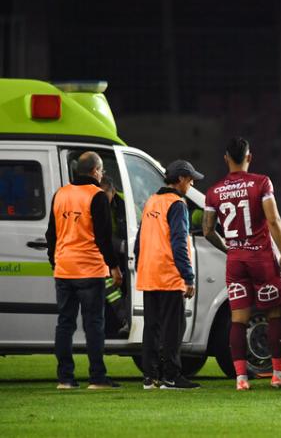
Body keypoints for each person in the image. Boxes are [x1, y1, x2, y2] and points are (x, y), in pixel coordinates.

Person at [203, 137, 281, 390]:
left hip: (236, 260)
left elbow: (207, 230)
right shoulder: (261, 183)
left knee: (238, 319)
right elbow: (274, 219)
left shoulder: (214, 191)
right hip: (261, 258)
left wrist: (228, 247)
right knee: (275, 314)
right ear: (249, 157)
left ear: (226, 159)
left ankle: (241, 379)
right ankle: (278, 374)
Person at [45, 151, 122, 389]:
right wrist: (114, 267)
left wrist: (55, 261)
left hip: (64, 269)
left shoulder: (60, 194)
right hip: (90, 270)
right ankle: (97, 378)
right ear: (95, 171)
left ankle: (64, 378)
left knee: (65, 324)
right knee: (93, 325)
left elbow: (51, 234)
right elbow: (103, 238)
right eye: (101, 171)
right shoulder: (97, 195)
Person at [134, 160, 203, 390]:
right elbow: (179, 243)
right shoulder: (177, 204)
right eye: (190, 179)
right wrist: (188, 276)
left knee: (151, 328)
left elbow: (139, 241)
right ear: (181, 179)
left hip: (149, 273)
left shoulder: (151, 201)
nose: (192, 183)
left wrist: (140, 264)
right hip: (168, 274)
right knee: (173, 328)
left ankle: (150, 377)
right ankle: (172, 377)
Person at [99, 176, 130, 335]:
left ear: (113, 191)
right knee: (110, 289)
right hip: (105, 254)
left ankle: (129, 321)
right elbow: (101, 235)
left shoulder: (126, 203)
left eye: (106, 195)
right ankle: (125, 319)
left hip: (125, 254)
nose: (103, 199)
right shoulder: (96, 203)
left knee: (129, 286)